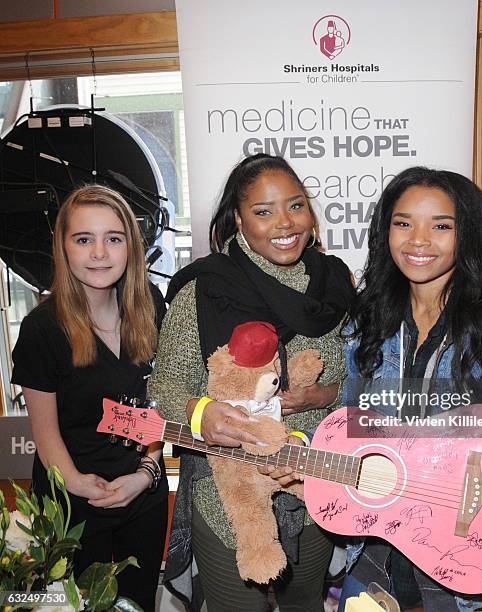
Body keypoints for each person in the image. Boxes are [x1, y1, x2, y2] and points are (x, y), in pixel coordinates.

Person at [339, 167, 482, 612]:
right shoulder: (366, 323)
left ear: (469, 237)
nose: (418, 240)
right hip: (375, 546)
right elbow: (351, 425)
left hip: (460, 545)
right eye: (403, 223)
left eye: (441, 226)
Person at [149, 153, 354, 612]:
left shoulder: (336, 284)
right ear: (238, 219)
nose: (285, 222)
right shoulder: (203, 291)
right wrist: (202, 413)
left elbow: (358, 383)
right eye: (263, 212)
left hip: (314, 488)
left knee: (307, 606)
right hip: (229, 498)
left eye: (296, 205)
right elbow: (164, 387)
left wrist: (327, 394)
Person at [11, 185, 168, 611]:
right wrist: (80, 484)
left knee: (138, 605)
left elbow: (154, 406)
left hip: (142, 491)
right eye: (84, 239)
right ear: (63, 248)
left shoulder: (150, 305)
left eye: (113, 238)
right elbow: (45, 437)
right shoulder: (42, 329)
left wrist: (147, 471)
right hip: (72, 501)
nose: (100, 252)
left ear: (131, 247)